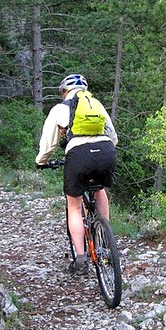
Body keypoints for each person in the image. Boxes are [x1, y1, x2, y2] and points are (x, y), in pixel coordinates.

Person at [35, 74, 118, 275]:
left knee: (74, 205)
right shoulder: (96, 104)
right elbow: (113, 137)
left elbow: (49, 142)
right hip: (106, 152)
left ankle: (80, 259)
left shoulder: (59, 109)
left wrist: (42, 160)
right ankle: (104, 237)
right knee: (100, 190)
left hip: (78, 155)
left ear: (64, 91)